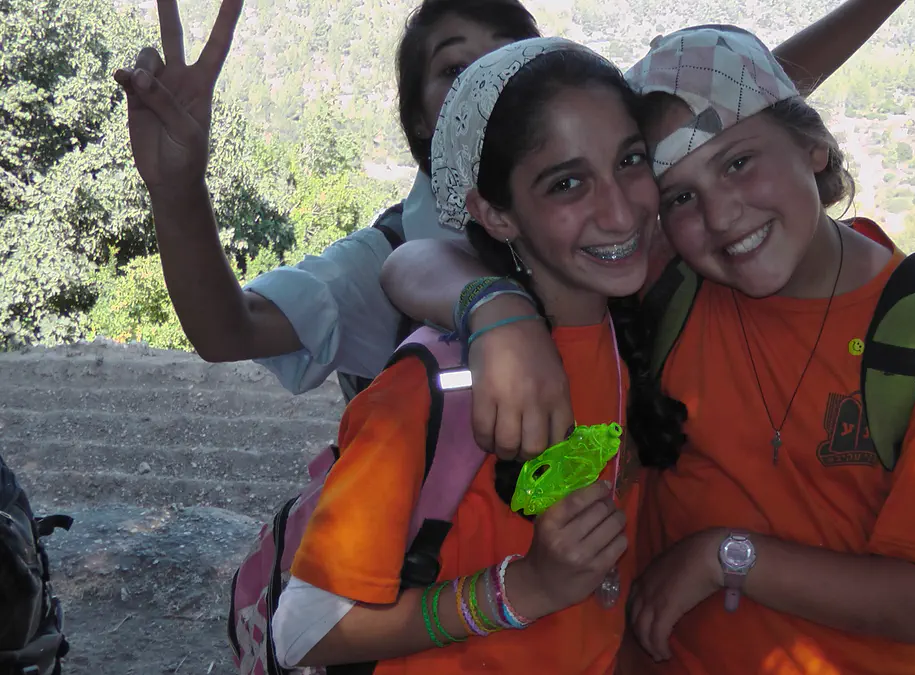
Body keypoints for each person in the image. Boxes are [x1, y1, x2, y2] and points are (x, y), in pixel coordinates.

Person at [380, 26, 915, 675]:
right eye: (680, 196)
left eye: (738, 163)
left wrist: (728, 558)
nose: (721, 216)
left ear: (814, 146)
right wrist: (496, 311)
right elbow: (411, 261)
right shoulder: (673, 280)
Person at [113, 0, 909, 402]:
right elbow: (229, 328)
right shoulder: (390, 254)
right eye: (456, 69)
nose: (497, 86)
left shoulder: (618, 186)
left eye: (515, 58)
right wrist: (178, 190)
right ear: (422, 118)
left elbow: (733, 103)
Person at [269, 37, 686, 673]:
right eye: (567, 183)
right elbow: (305, 630)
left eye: (629, 161)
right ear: (494, 214)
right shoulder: (441, 382)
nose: (620, 208)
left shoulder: (624, 337)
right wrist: (523, 590)